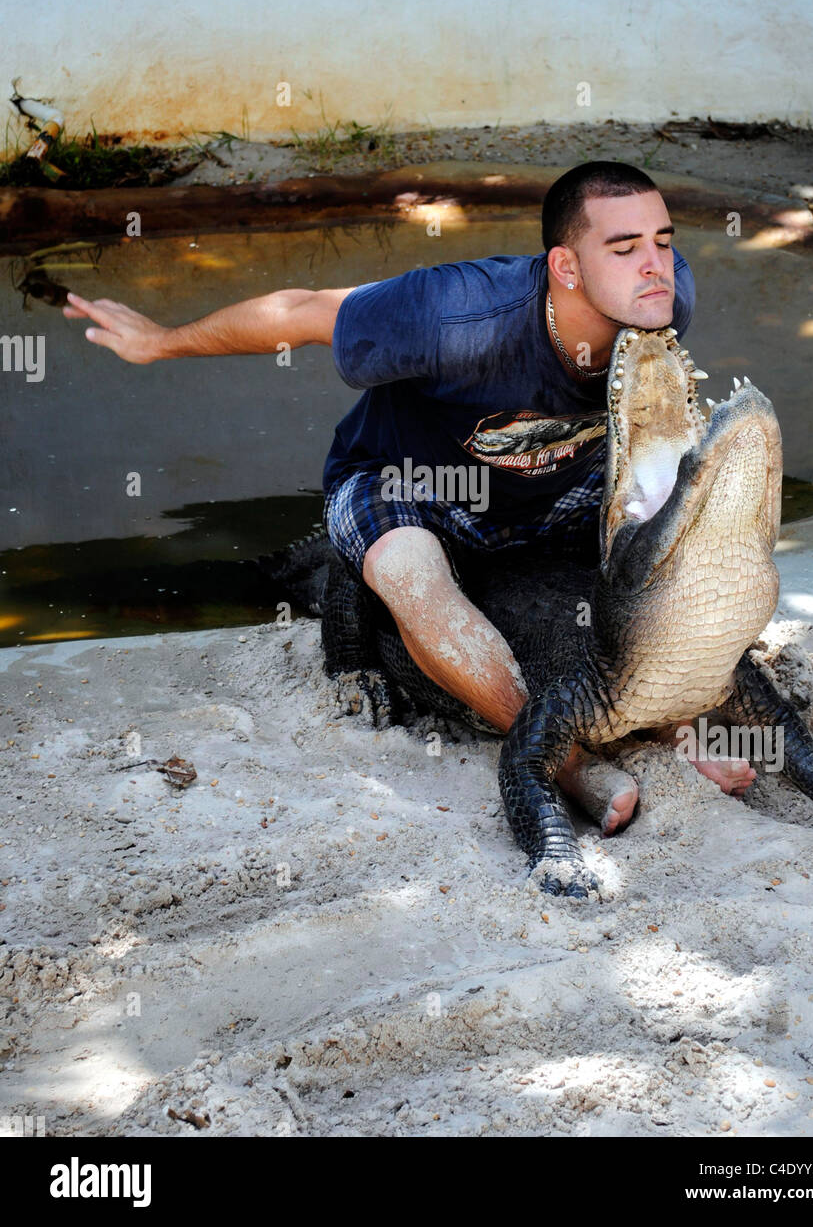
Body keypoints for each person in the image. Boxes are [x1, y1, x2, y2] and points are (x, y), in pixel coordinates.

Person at [64, 161, 756, 832]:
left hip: (551, 488)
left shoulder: (661, 304)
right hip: (407, 484)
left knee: (664, 538)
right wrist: (161, 342)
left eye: (664, 241)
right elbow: (303, 311)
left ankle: (678, 729)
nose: (656, 265)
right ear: (566, 267)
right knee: (413, 577)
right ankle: (566, 761)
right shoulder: (453, 313)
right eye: (625, 246)